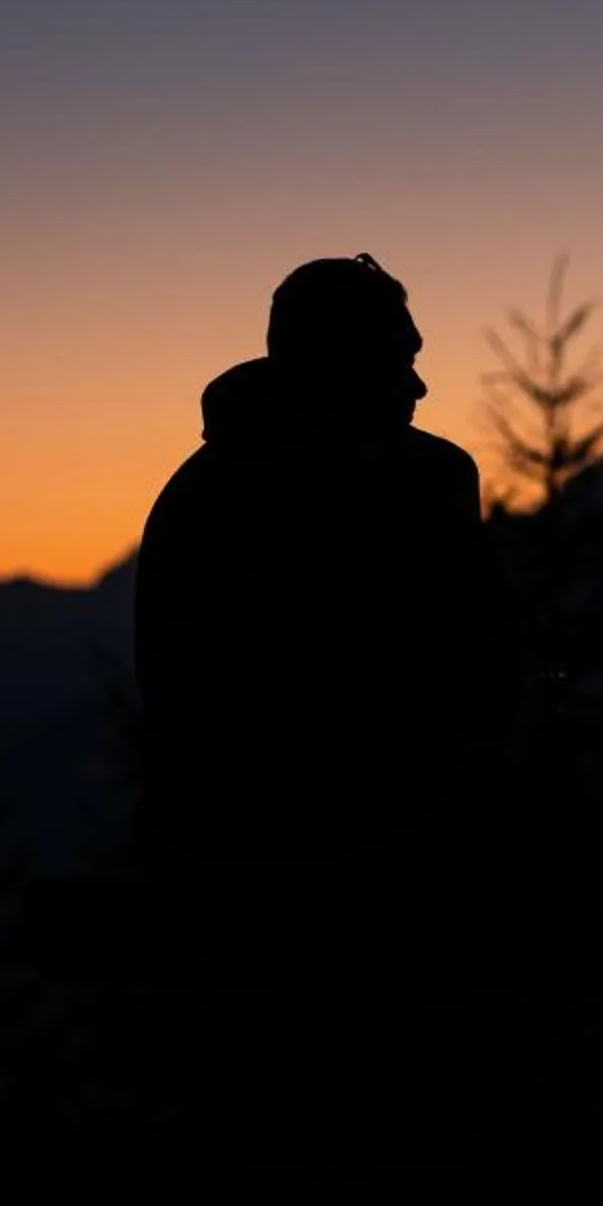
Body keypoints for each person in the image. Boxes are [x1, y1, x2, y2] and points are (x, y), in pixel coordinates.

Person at [131, 253, 515, 891]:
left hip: (212, 858)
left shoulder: (198, 489)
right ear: (343, 366)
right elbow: (473, 671)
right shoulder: (421, 480)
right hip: (375, 863)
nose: (418, 389)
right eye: (400, 362)